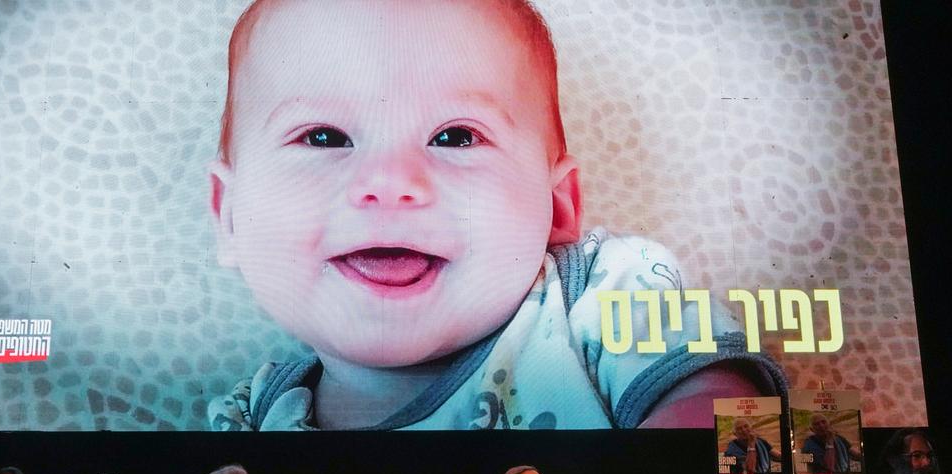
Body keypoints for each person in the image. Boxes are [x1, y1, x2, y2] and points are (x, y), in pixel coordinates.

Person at [202, 0, 785, 433]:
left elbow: (730, 418)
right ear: (229, 216)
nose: (388, 184)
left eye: (455, 136)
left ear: (557, 205)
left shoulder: (599, 297)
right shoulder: (252, 416)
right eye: (324, 136)